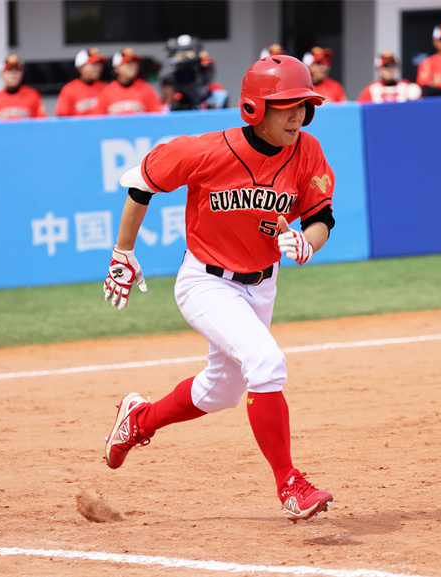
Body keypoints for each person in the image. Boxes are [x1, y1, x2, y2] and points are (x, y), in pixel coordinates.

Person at [102, 55, 336, 522]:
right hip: (205, 282)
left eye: (303, 105)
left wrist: (307, 243)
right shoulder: (207, 150)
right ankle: (289, 483)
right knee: (266, 362)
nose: (297, 115)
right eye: (286, 106)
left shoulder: (307, 151)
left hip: (262, 285)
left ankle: (139, 420)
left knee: (220, 392)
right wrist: (122, 252)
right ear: (254, 108)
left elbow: (321, 217)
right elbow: (140, 183)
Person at [93, 48, 162, 115]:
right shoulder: (107, 92)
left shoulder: (146, 89)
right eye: (127, 62)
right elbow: (97, 119)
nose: (132, 65)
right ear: (117, 68)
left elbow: (157, 116)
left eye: (134, 62)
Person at [0, 55, 47, 120]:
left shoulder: (33, 96)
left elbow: (42, 121)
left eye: (17, 70)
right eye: (9, 70)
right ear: (2, 74)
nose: (13, 74)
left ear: (22, 73)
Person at [55, 47, 108, 116]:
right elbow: (62, 117)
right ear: (80, 68)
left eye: (99, 64)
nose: (98, 68)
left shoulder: (106, 87)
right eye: (94, 64)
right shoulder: (69, 89)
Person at [356, 50, 421, 103]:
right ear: (378, 70)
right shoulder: (371, 90)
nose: (389, 69)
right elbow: (358, 110)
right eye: (385, 66)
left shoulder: (407, 87)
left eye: (392, 65)